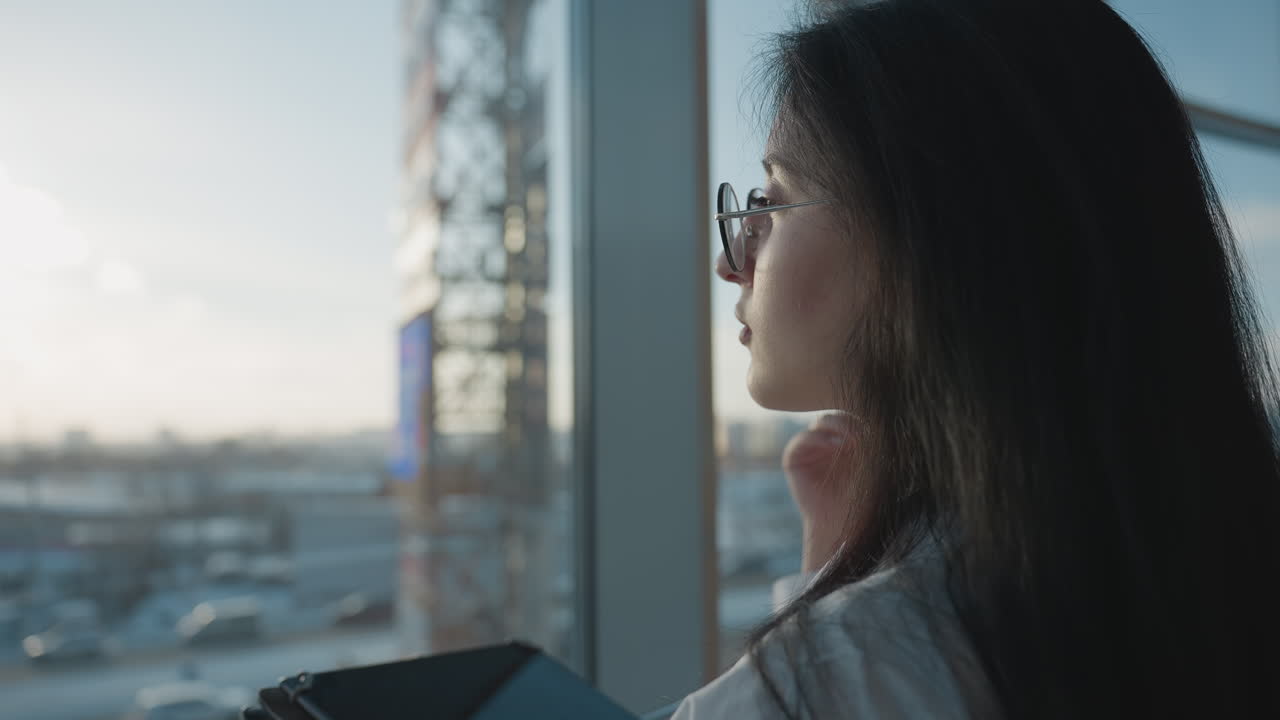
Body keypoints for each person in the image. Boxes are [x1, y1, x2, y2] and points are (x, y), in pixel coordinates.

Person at [672, 0, 1280, 717]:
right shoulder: (1217, 570)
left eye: (770, 199)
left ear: (929, 241)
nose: (730, 260)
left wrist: (829, 626)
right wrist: (839, 561)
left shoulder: (821, 685)